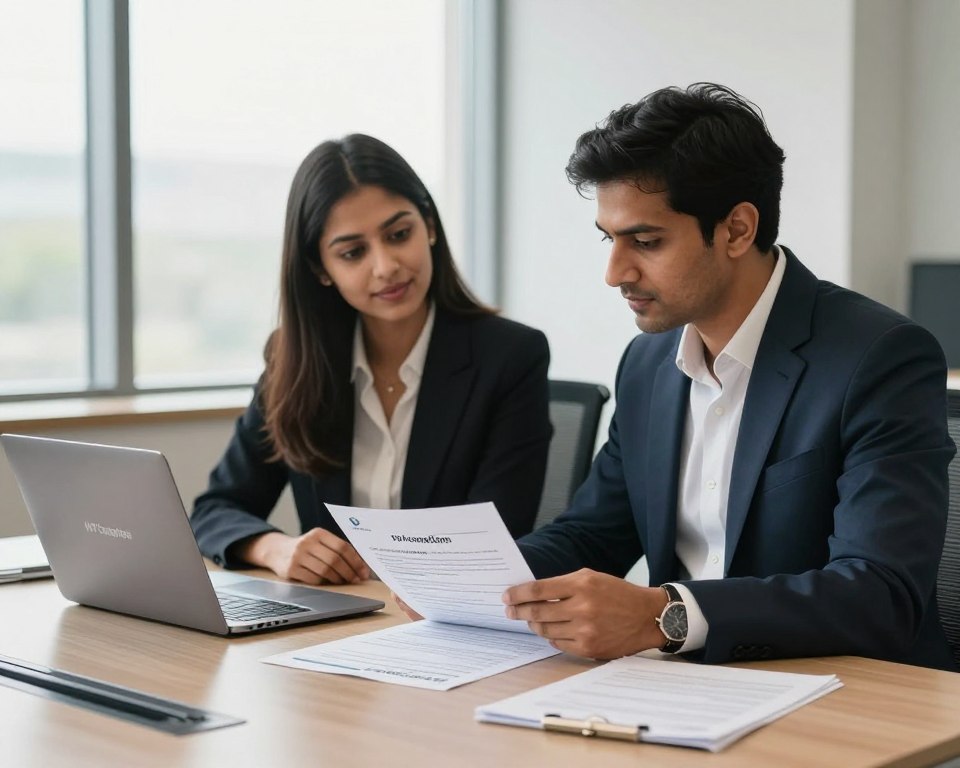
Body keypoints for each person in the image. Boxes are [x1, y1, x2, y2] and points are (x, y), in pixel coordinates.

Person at [500, 83, 956, 670]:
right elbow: (593, 535)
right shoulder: (648, 364)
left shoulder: (880, 357)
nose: (615, 273)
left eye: (645, 241)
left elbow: (878, 593)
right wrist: (473, 578)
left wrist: (663, 614)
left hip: (843, 693)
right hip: (686, 689)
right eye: (609, 240)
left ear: (738, 229)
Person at [191, 134, 551, 586]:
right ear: (321, 269)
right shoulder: (293, 359)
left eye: (399, 234)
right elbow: (215, 510)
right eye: (352, 253)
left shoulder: (511, 357)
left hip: (447, 623)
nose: (385, 266)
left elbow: (496, 536)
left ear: (430, 228)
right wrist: (276, 549)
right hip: (333, 622)